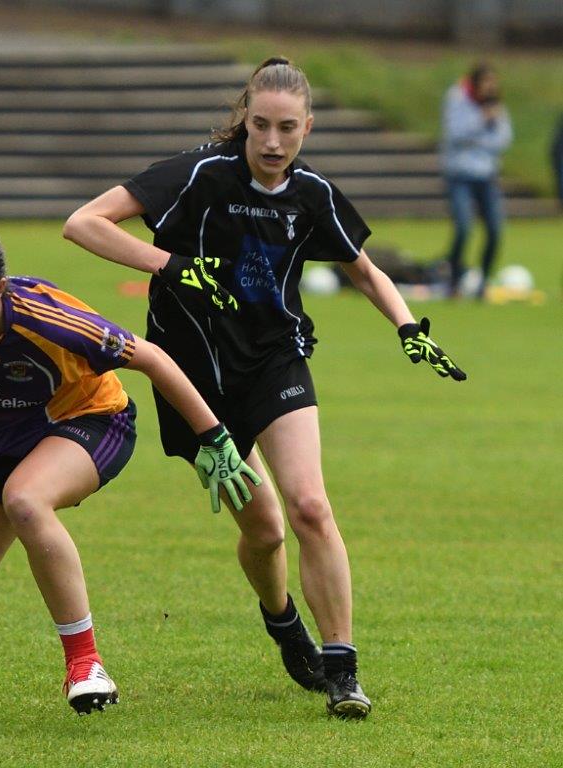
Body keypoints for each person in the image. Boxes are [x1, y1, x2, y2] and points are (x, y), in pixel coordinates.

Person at [63, 57, 468, 720]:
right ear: (243, 122)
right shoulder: (199, 172)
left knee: (308, 505)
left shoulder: (311, 193)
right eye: (260, 126)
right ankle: (282, 622)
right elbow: (83, 223)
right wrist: (170, 264)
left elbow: (363, 271)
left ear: (306, 127)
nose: (273, 142)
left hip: (273, 362)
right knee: (264, 529)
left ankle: (341, 669)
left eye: (287, 128)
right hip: (189, 376)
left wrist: (405, 327)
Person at [0, 225, 261, 717]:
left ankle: (86, 663)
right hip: (2, 448)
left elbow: (153, 358)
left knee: (25, 499)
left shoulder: (44, 316)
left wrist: (214, 437)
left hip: (91, 420)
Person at [440, 63, 513, 299]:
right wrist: (482, 121)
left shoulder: (496, 105)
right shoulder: (458, 98)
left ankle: (482, 282)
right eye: (487, 82)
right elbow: (454, 133)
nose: (491, 88)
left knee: (494, 230)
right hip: (460, 175)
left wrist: (480, 137)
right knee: (463, 228)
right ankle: (453, 278)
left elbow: (503, 139)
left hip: (487, 175)